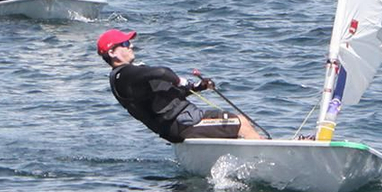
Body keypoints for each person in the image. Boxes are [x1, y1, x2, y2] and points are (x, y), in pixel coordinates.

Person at [97, 29, 265, 142]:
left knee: (233, 120)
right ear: (112, 53)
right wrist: (179, 80)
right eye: (125, 44)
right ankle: (267, 157)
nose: (131, 46)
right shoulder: (123, 75)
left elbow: (168, 97)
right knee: (240, 122)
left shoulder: (128, 76)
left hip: (181, 124)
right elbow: (163, 72)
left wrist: (198, 87)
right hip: (183, 125)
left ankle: (258, 149)